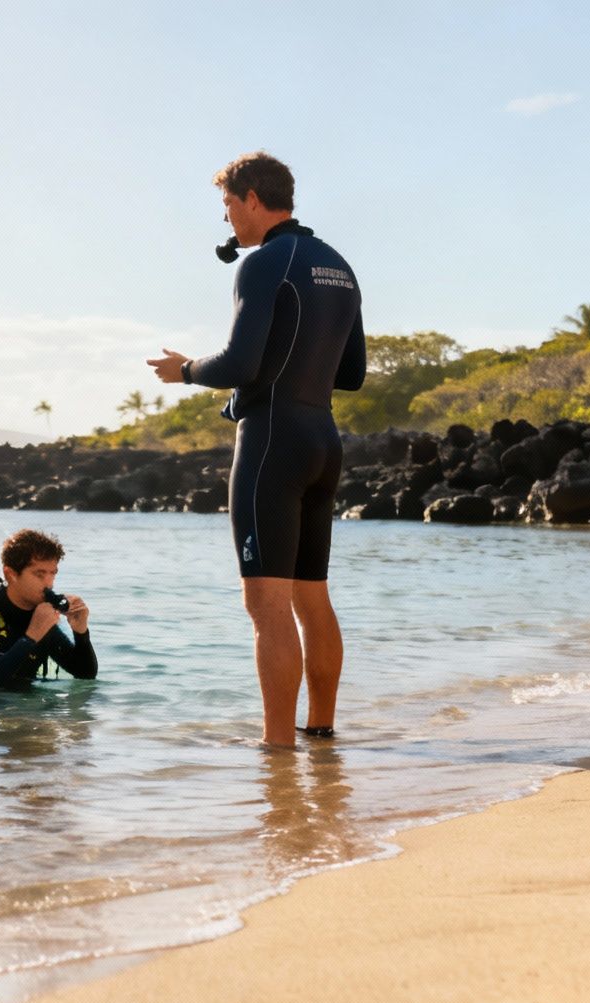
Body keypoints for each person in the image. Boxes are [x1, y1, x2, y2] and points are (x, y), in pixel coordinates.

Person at [146, 151, 364, 748]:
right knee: (311, 597)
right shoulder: (338, 265)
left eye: (227, 206)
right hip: (323, 439)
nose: (227, 221)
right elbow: (352, 373)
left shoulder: (264, 262)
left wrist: (185, 369)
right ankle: (320, 730)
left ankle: (277, 749)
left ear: (250, 198)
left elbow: (239, 363)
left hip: (272, 442)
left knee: (266, 605)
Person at [0, 529, 96, 691]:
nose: (49, 583)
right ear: (10, 574)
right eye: (39, 574)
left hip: (17, 704)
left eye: (53, 574)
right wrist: (32, 637)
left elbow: (85, 673)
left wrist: (81, 632)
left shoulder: (37, 614)